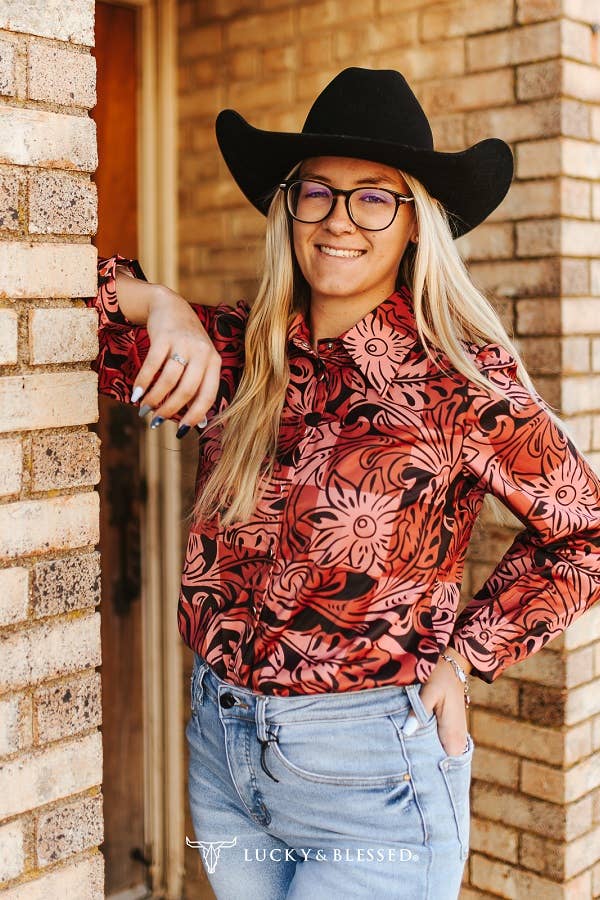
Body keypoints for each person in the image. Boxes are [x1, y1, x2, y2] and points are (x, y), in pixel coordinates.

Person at [86, 67, 600, 899]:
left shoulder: (458, 381)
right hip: (225, 758)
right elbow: (57, 300)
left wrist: (467, 657)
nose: (338, 220)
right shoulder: (238, 357)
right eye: (318, 192)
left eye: (373, 198)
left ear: (414, 223)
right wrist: (161, 306)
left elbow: (586, 533)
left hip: (372, 775)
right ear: (289, 208)